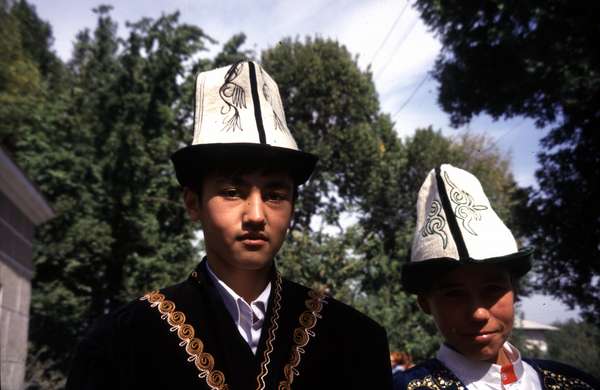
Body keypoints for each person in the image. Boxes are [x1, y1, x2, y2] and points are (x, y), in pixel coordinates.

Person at [65, 61, 392, 390]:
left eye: (275, 194)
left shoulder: (354, 342)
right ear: (193, 203)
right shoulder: (119, 346)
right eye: (232, 192)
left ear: (294, 204)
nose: (255, 215)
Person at [393, 164, 599, 389]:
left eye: (492, 289)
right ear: (425, 303)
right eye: (454, 294)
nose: (478, 313)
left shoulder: (576, 385)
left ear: (515, 292)